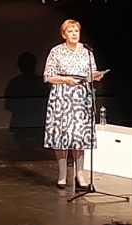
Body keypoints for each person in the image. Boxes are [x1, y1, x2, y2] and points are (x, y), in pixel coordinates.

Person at [43, 18, 104, 189]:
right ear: (64, 35)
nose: (74, 34)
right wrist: (65, 80)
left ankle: (80, 175)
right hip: (62, 96)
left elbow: (91, 73)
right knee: (61, 135)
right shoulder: (56, 51)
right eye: (70, 31)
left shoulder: (87, 51)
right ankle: (62, 175)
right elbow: (48, 76)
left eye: (76, 31)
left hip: (81, 97)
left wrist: (96, 76)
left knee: (79, 136)